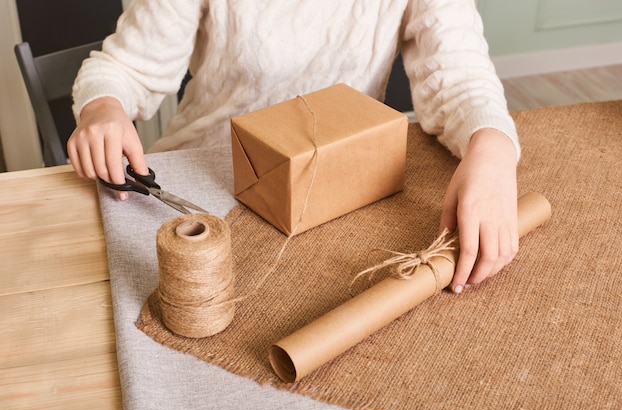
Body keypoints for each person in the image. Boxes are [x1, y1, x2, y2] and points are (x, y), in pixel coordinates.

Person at [68, 0, 520, 294]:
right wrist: (102, 108)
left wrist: (493, 152)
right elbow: (126, 67)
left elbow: (461, 81)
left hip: (338, 194)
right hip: (207, 177)